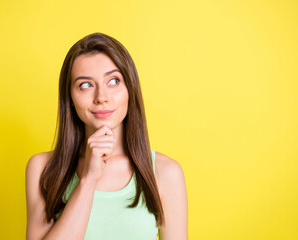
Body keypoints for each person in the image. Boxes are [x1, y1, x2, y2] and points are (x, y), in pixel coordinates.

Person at [25, 32, 188, 240]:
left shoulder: (166, 173)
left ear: (130, 89)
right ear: (70, 98)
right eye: (85, 85)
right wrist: (88, 179)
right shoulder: (43, 169)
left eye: (113, 81)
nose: (101, 97)